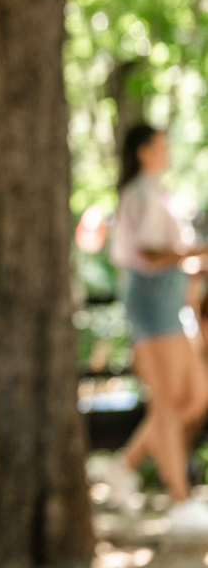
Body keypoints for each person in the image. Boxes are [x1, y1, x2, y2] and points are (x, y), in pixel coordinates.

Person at [103, 123, 208, 532]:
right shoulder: (140, 193)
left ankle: (125, 463)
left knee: (195, 396)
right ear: (144, 150)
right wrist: (197, 251)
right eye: (161, 145)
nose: (167, 151)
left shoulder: (155, 192)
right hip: (150, 302)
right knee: (167, 402)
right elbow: (148, 252)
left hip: (166, 302)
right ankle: (180, 503)